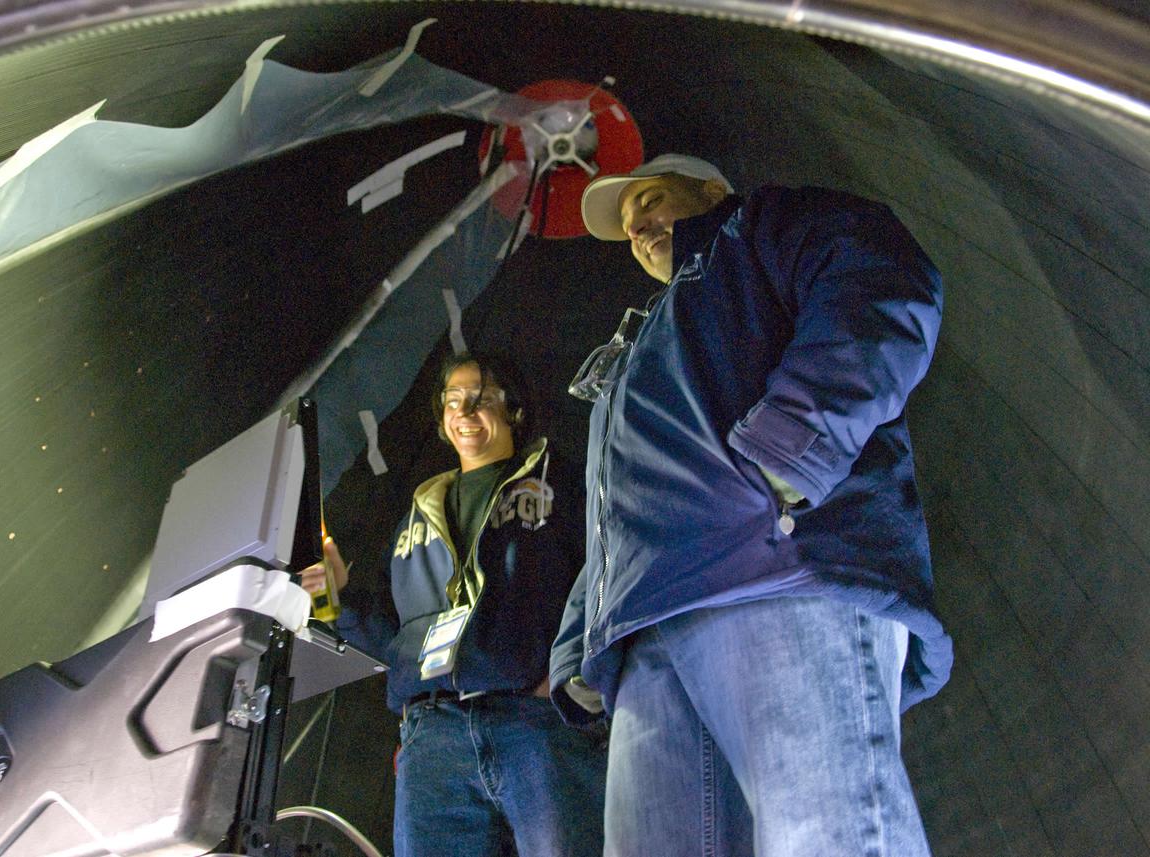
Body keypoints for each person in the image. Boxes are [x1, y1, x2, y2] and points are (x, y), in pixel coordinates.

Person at [549, 153, 953, 857]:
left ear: (710, 190)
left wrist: (794, 446)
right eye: (625, 225)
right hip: (648, 632)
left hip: (775, 574)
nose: (637, 224)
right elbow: (615, 508)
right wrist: (578, 639)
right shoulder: (631, 352)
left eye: (648, 198)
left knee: (824, 836)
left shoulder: (760, 228)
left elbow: (883, 278)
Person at [302, 351, 605, 857]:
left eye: (482, 399)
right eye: (453, 400)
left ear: (514, 411)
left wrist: (580, 681)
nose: (465, 412)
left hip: (534, 721)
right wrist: (334, 603)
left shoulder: (563, 484)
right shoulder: (415, 517)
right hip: (432, 735)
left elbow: (608, 575)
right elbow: (392, 639)